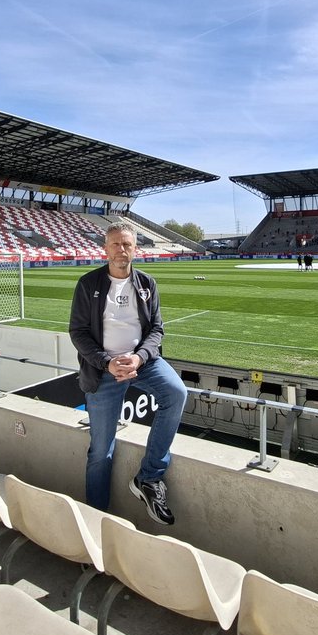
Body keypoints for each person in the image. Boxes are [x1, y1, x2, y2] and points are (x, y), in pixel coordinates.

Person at [69, 222, 186, 524]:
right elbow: (78, 332)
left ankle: (149, 477)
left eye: (127, 245)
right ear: (105, 248)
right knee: (100, 453)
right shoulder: (88, 284)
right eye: (116, 244)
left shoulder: (147, 283)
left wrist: (138, 357)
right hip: (102, 370)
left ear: (135, 249)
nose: (122, 250)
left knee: (176, 393)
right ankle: (96, 524)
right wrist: (106, 362)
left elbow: (157, 329)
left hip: (142, 363)